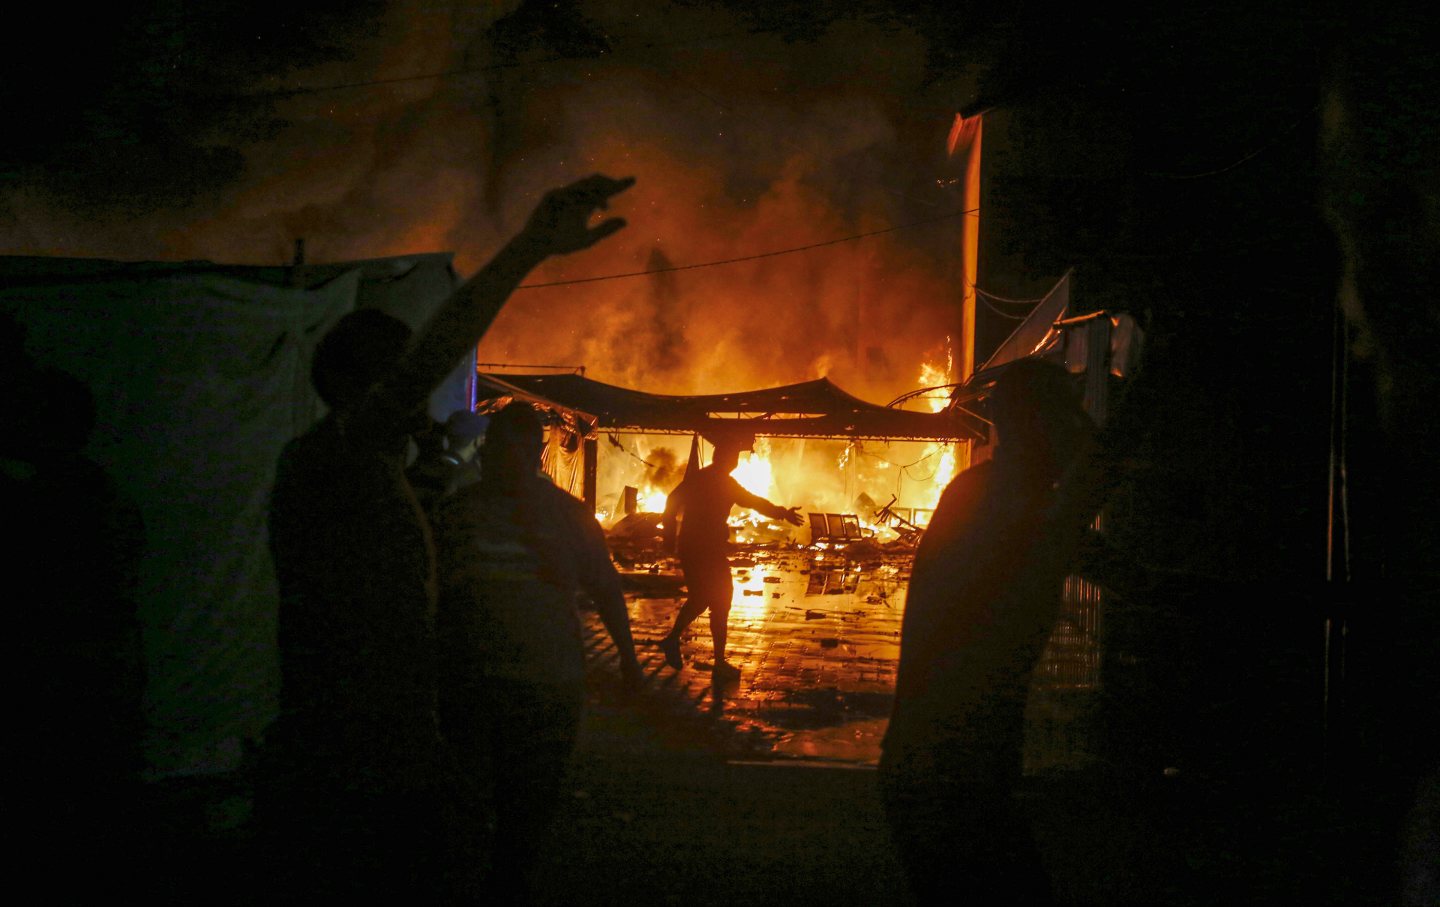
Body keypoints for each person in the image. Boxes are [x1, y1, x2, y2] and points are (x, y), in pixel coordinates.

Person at [262, 173, 633, 901]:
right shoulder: (333, 458)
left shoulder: (357, 471)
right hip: (352, 749)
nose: (417, 401)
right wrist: (526, 250)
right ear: (360, 385)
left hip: (381, 737)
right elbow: (429, 360)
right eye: (399, 384)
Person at [878, 358, 1111, 905]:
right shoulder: (1011, 502)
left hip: (947, 768)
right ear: (1037, 425)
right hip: (947, 776)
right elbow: (1099, 473)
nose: (1078, 429)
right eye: (1066, 416)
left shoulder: (991, 493)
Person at [433, 402, 641, 904]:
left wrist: (631, 660)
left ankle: (495, 879)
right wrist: (629, 662)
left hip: (497, 680)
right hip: (525, 680)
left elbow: (605, 588)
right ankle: (500, 878)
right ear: (538, 453)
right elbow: (606, 590)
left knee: (499, 798)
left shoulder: (462, 512)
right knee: (516, 800)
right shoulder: (554, 514)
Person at [657, 432, 804, 680]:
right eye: (733, 457)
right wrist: (781, 513)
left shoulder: (700, 479)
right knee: (717, 599)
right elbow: (753, 502)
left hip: (694, 547)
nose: (735, 461)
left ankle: (689, 647)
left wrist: (671, 538)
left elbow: (672, 502)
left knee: (709, 599)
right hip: (706, 549)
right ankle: (705, 655)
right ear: (726, 459)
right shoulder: (722, 483)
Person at [409, 407, 489, 514]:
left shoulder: (430, 464)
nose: (484, 438)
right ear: (476, 440)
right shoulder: (463, 477)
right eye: (482, 433)